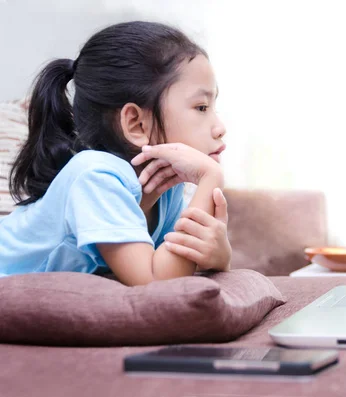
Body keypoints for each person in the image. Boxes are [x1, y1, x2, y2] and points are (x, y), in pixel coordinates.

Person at [0, 21, 232, 286]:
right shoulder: (96, 176)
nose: (220, 128)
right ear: (136, 124)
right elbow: (158, 283)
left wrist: (219, 255)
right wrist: (210, 177)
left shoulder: (167, 190)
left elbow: (177, 265)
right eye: (201, 107)